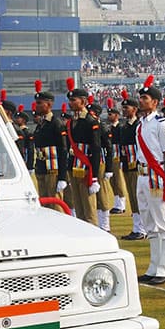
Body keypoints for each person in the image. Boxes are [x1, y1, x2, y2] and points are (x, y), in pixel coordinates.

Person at [135, 76, 165, 285]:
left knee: (163, 223)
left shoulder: (162, 124)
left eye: (145, 98)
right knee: (149, 223)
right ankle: (153, 266)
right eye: (140, 98)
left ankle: (164, 269)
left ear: (155, 102)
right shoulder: (140, 124)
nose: (141, 101)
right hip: (141, 175)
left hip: (156, 175)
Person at [64, 79, 103, 226]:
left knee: (88, 207)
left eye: (73, 100)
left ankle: (93, 235)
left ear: (84, 101)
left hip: (87, 168)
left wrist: (94, 177)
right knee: (78, 205)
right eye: (70, 100)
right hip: (74, 166)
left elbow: (96, 148)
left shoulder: (91, 122)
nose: (70, 103)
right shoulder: (72, 121)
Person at [31, 82, 68, 209]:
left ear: (49, 104)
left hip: (53, 169)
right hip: (41, 168)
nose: (37, 106)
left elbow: (63, 150)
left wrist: (62, 176)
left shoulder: (55, 123)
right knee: (44, 204)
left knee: (55, 205)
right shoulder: (41, 124)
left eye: (40, 103)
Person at [118, 92, 147, 240]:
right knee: (132, 196)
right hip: (127, 165)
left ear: (135, 109)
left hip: (137, 165)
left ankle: (142, 228)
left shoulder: (138, 125)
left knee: (139, 197)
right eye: (123, 108)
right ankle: (137, 226)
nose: (124, 110)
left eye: (127, 108)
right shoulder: (124, 127)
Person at [88, 101, 115, 233]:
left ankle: (105, 224)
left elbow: (109, 148)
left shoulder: (102, 127)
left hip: (101, 162)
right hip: (90, 162)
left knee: (102, 194)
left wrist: (109, 168)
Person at [106, 104, 128, 215]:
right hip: (111, 157)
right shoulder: (109, 128)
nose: (109, 116)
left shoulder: (120, 128)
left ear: (117, 115)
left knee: (119, 182)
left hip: (118, 156)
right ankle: (116, 203)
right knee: (113, 182)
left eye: (111, 114)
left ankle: (121, 204)